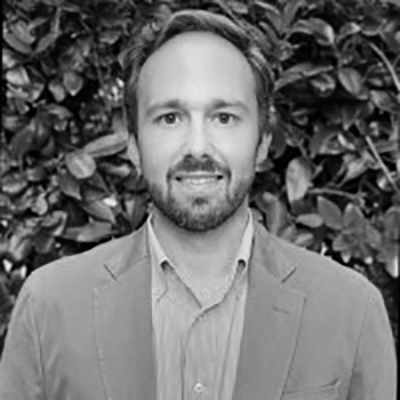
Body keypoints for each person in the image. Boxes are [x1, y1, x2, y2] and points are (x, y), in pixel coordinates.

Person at [0, 9, 396, 400]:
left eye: (224, 117)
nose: (197, 147)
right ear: (134, 145)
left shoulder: (352, 309)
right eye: (170, 118)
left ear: (262, 141)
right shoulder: (49, 307)